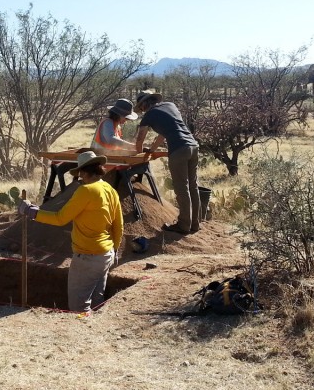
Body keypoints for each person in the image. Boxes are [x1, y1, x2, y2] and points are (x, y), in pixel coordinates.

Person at [18, 151, 123, 315]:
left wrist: (32, 212)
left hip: (87, 257)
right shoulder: (110, 190)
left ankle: (83, 336)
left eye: (80, 174)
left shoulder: (86, 191)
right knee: (97, 302)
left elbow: (60, 218)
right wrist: (115, 249)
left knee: (78, 307)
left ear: (83, 172)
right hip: (106, 255)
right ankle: (96, 334)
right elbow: (118, 226)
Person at [134, 90, 200, 235]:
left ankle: (183, 225)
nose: (142, 110)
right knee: (193, 186)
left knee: (181, 187)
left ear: (145, 103)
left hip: (178, 149)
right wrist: (151, 150)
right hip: (193, 147)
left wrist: (138, 155)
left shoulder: (149, 115)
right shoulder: (170, 105)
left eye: (141, 107)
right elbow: (164, 133)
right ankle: (194, 224)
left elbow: (139, 139)